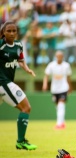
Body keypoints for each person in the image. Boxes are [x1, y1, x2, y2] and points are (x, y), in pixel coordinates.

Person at [0, 21, 37, 150]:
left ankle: (21, 141)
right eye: (8, 31)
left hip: (7, 81)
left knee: (26, 108)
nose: (11, 33)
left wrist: (26, 69)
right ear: (3, 32)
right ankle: (21, 141)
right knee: (26, 107)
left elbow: (20, 60)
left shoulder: (18, 45)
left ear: (17, 32)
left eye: (13, 31)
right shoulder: (1, 45)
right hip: (3, 83)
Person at [42, 50, 72, 129]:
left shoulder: (66, 65)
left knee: (61, 104)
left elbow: (68, 77)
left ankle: (59, 124)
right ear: (56, 57)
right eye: (58, 56)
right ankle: (62, 122)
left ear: (63, 57)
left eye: (61, 56)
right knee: (58, 106)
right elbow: (46, 75)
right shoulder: (51, 65)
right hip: (54, 89)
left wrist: (70, 87)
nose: (59, 58)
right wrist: (45, 84)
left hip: (63, 88)